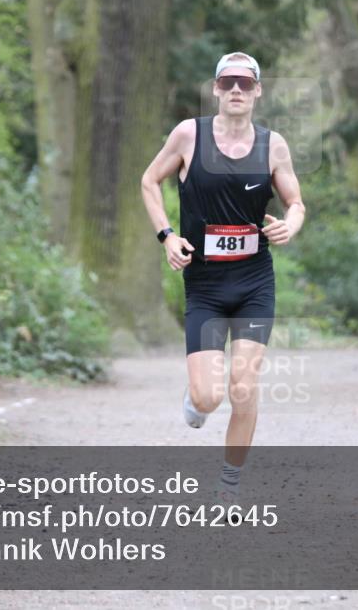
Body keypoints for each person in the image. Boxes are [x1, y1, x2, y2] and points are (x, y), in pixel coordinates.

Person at [140, 52, 306, 504]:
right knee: (210, 397)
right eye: (228, 82)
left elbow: (295, 202)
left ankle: (230, 484)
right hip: (206, 287)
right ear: (215, 88)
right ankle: (197, 401)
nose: (236, 90)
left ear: (257, 92)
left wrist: (290, 224)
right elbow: (150, 181)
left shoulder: (273, 145)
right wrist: (167, 236)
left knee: (244, 387)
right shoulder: (188, 136)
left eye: (246, 83)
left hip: (254, 282)